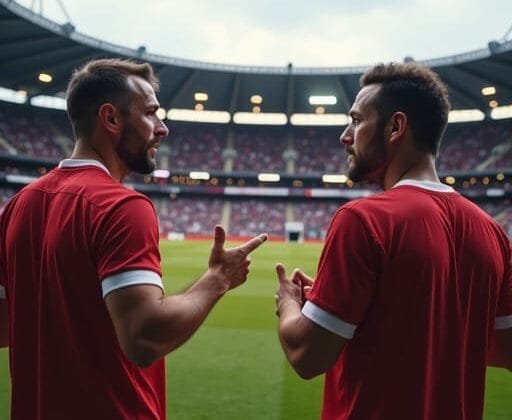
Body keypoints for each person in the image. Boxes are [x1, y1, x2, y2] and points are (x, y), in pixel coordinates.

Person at [0, 58, 267, 419]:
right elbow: (144, 338)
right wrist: (217, 280)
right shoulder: (121, 206)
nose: (163, 128)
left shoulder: (18, 205)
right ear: (110, 119)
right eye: (151, 113)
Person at [275, 62, 512, 419]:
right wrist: (350, 305)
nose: (344, 135)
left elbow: (306, 356)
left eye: (356, 121)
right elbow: (503, 351)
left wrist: (290, 304)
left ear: (395, 127)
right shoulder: (493, 232)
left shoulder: (363, 220)